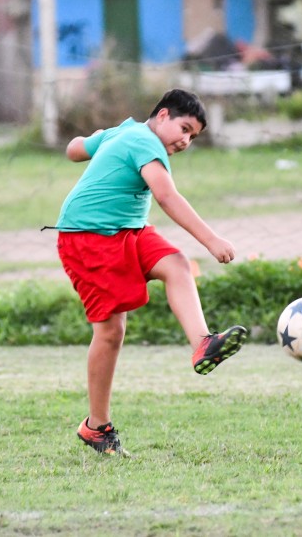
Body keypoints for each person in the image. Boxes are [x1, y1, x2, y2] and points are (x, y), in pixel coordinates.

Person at [54, 88, 247, 456]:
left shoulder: (124, 132)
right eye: (184, 128)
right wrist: (212, 240)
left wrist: (95, 142)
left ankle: (203, 343)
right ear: (162, 116)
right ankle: (97, 427)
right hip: (86, 237)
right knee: (110, 332)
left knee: (176, 264)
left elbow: (74, 149)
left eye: (193, 136)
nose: (187, 140)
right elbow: (166, 196)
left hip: (127, 231)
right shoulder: (144, 141)